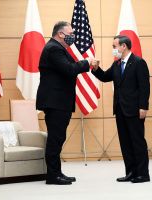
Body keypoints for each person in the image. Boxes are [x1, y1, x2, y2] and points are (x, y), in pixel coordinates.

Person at [36, 21, 96, 185]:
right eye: (71, 33)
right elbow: (69, 69)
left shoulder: (57, 48)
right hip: (55, 102)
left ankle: (57, 172)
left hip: (59, 102)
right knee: (55, 139)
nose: (73, 36)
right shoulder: (54, 48)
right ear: (60, 34)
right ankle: (53, 176)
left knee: (58, 138)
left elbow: (67, 69)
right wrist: (86, 62)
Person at [92, 35, 150, 183]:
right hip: (120, 109)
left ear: (123, 46)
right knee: (125, 143)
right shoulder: (117, 64)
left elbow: (144, 87)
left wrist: (143, 107)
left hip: (135, 110)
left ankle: (143, 174)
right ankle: (131, 172)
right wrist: (96, 69)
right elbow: (105, 77)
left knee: (137, 142)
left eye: (114, 46)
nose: (113, 50)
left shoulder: (138, 62)